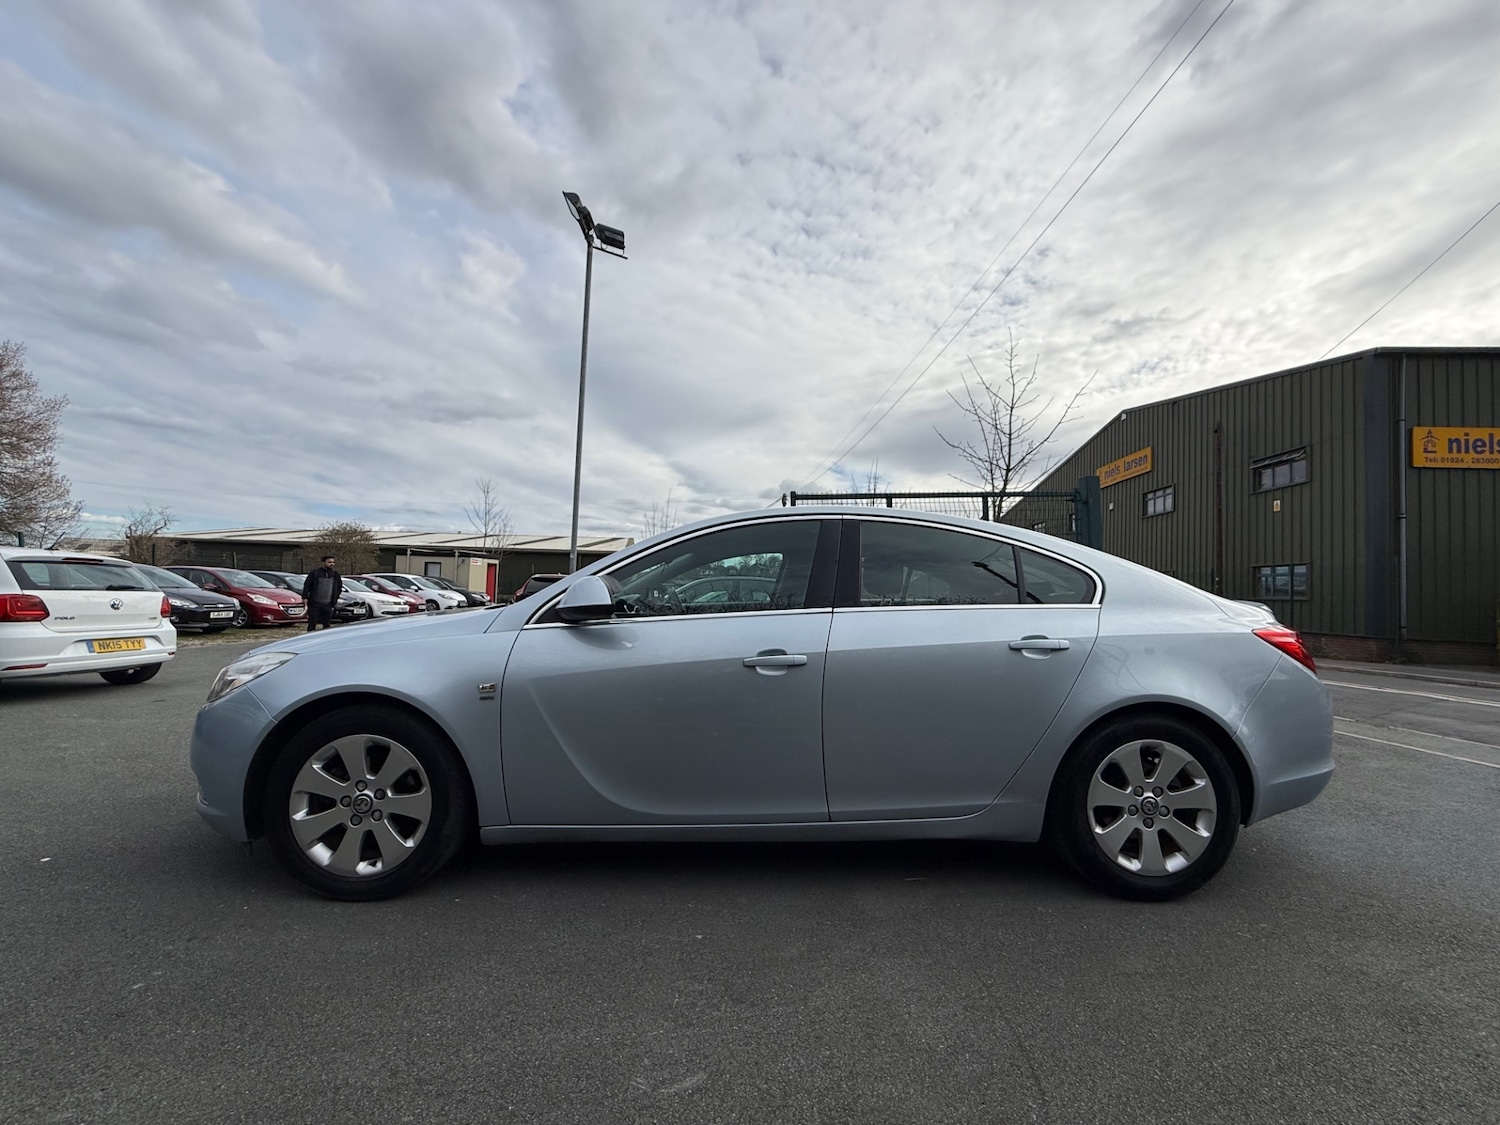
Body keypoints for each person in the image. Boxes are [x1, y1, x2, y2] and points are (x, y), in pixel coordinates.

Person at [302, 555, 343, 632]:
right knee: (312, 622)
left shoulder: (335, 574)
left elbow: (339, 587)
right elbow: (307, 585)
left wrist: (335, 598)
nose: (332, 564)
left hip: (328, 604)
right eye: (329, 562)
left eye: (333, 562)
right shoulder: (315, 573)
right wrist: (305, 597)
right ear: (323, 563)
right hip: (315, 603)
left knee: (327, 623)